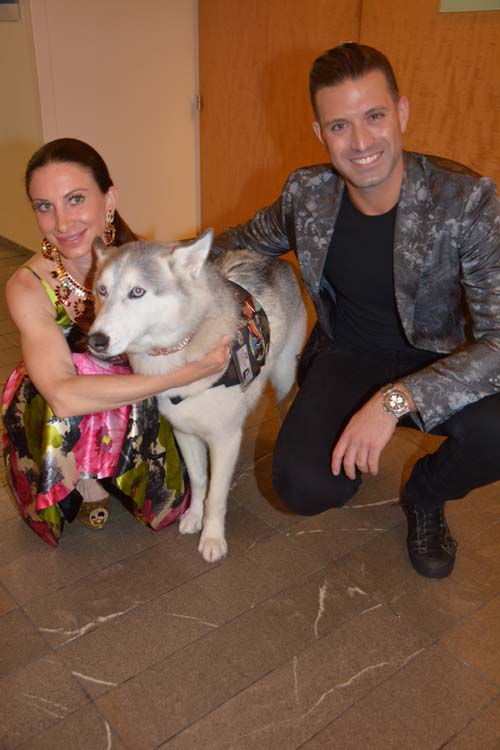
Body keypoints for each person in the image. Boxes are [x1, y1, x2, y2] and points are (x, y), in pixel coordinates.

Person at [213, 43, 500, 579]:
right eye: (340, 125)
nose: (361, 142)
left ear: (403, 113)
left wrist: (392, 403)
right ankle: (353, 450)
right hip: (348, 353)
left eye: (374, 116)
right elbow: (237, 244)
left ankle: (425, 494)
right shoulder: (308, 194)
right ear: (321, 134)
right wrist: (144, 262)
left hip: (439, 357)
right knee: (302, 486)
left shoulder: (466, 202)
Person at [2, 137, 229, 548]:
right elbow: (65, 396)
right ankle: (85, 476)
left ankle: (125, 463)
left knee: (172, 505)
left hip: (144, 395)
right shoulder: (28, 286)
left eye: (75, 199)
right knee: (60, 391)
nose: (62, 222)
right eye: (44, 206)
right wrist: (182, 375)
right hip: (70, 407)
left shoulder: (144, 260)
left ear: (110, 199)